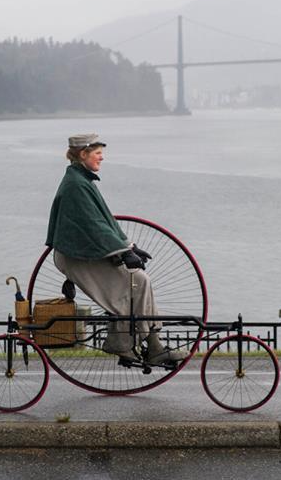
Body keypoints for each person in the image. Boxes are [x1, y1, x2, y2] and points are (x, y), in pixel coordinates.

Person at [45, 133, 186, 366]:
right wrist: (123, 252)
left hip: (87, 252)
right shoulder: (76, 185)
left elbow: (104, 221)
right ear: (83, 154)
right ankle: (125, 344)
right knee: (134, 285)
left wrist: (128, 247)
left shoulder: (82, 180)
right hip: (76, 257)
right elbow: (94, 226)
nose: (102, 157)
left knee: (141, 280)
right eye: (98, 153)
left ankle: (152, 345)